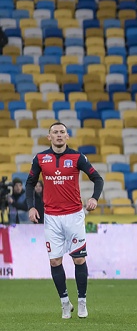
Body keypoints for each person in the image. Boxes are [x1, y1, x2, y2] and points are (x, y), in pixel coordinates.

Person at [24, 122, 104, 319]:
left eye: (62, 132)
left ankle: (82, 302)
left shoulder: (77, 157)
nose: (59, 135)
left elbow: (98, 179)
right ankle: (65, 303)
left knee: (79, 259)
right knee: (55, 261)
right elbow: (30, 183)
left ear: (67, 136)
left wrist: (94, 198)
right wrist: (31, 206)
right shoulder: (40, 158)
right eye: (55, 132)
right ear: (49, 137)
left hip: (74, 216)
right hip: (51, 217)